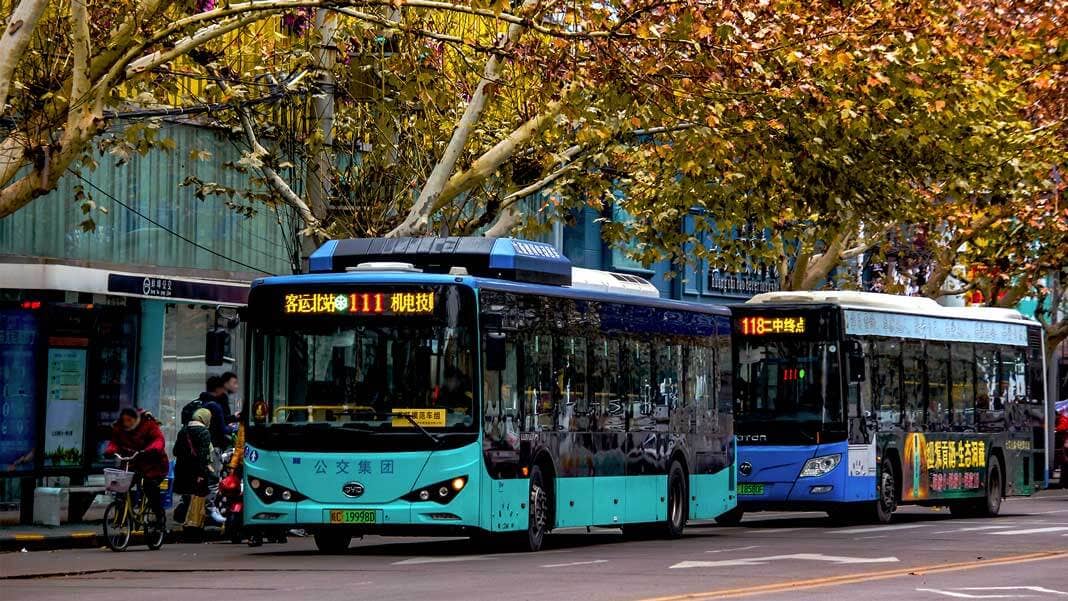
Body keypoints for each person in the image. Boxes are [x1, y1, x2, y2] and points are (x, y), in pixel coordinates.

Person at [104, 408, 168, 527]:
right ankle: (120, 515)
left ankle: (159, 517)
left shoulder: (149, 425)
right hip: (132, 462)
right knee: (121, 486)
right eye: (124, 421)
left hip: (153, 464)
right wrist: (110, 450)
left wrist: (151, 449)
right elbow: (115, 442)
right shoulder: (119, 428)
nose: (127, 424)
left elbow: (158, 439)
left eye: (129, 420)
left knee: (150, 488)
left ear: (136, 419)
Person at [173, 408, 223, 526]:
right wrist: (202, 472)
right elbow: (203, 454)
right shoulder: (204, 432)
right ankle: (205, 515)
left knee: (187, 493)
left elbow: (175, 451)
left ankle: (182, 516)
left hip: (183, 468)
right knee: (210, 486)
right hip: (197, 469)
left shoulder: (183, 430)